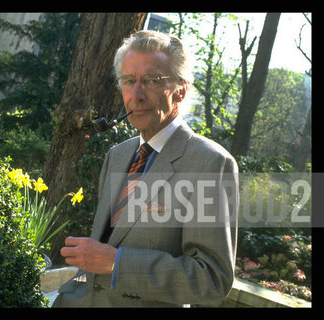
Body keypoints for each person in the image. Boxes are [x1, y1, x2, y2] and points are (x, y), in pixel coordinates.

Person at [52, 30, 239, 308]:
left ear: (181, 90)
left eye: (152, 81)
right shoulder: (118, 155)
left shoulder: (210, 164)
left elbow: (212, 279)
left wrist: (118, 263)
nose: (136, 95)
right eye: (129, 81)